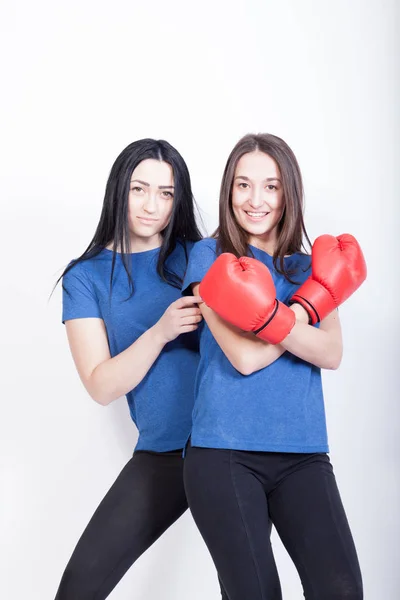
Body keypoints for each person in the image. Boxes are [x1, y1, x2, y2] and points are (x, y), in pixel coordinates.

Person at [182, 133, 365, 600]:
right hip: (223, 454)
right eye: (243, 185)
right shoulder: (209, 258)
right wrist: (309, 308)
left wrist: (280, 313)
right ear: (228, 192)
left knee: (341, 590)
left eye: (271, 186)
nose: (255, 200)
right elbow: (244, 358)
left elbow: (331, 353)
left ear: (289, 193)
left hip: (303, 454)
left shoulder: (312, 267)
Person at [54, 139, 227, 599]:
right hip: (164, 452)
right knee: (78, 588)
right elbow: (100, 384)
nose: (153, 205)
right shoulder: (85, 277)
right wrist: (160, 331)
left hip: (230, 446)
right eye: (140, 189)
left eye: (167, 193)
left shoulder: (200, 255)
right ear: (119, 190)